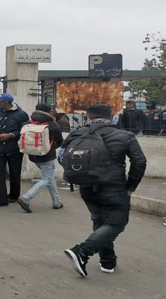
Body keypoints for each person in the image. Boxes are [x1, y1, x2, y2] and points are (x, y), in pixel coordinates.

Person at [62, 104, 146, 278]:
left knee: (100, 221)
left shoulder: (76, 133)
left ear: (88, 117)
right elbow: (140, 162)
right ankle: (82, 251)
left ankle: (107, 261)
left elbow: (62, 156)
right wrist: (130, 186)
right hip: (114, 187)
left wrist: (80, 174)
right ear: (110, 116)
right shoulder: (125, 135)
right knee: (116, 224)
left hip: (86, 186)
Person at [17, 103, 64, 213]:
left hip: (32, 156)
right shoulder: (53, 125)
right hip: (47, 156)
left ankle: (56, 202)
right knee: (47, 178)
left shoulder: (27, 123)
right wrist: (50, 148)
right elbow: (60, 141)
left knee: (50, 178)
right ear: (48, 112)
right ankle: (26, 198)